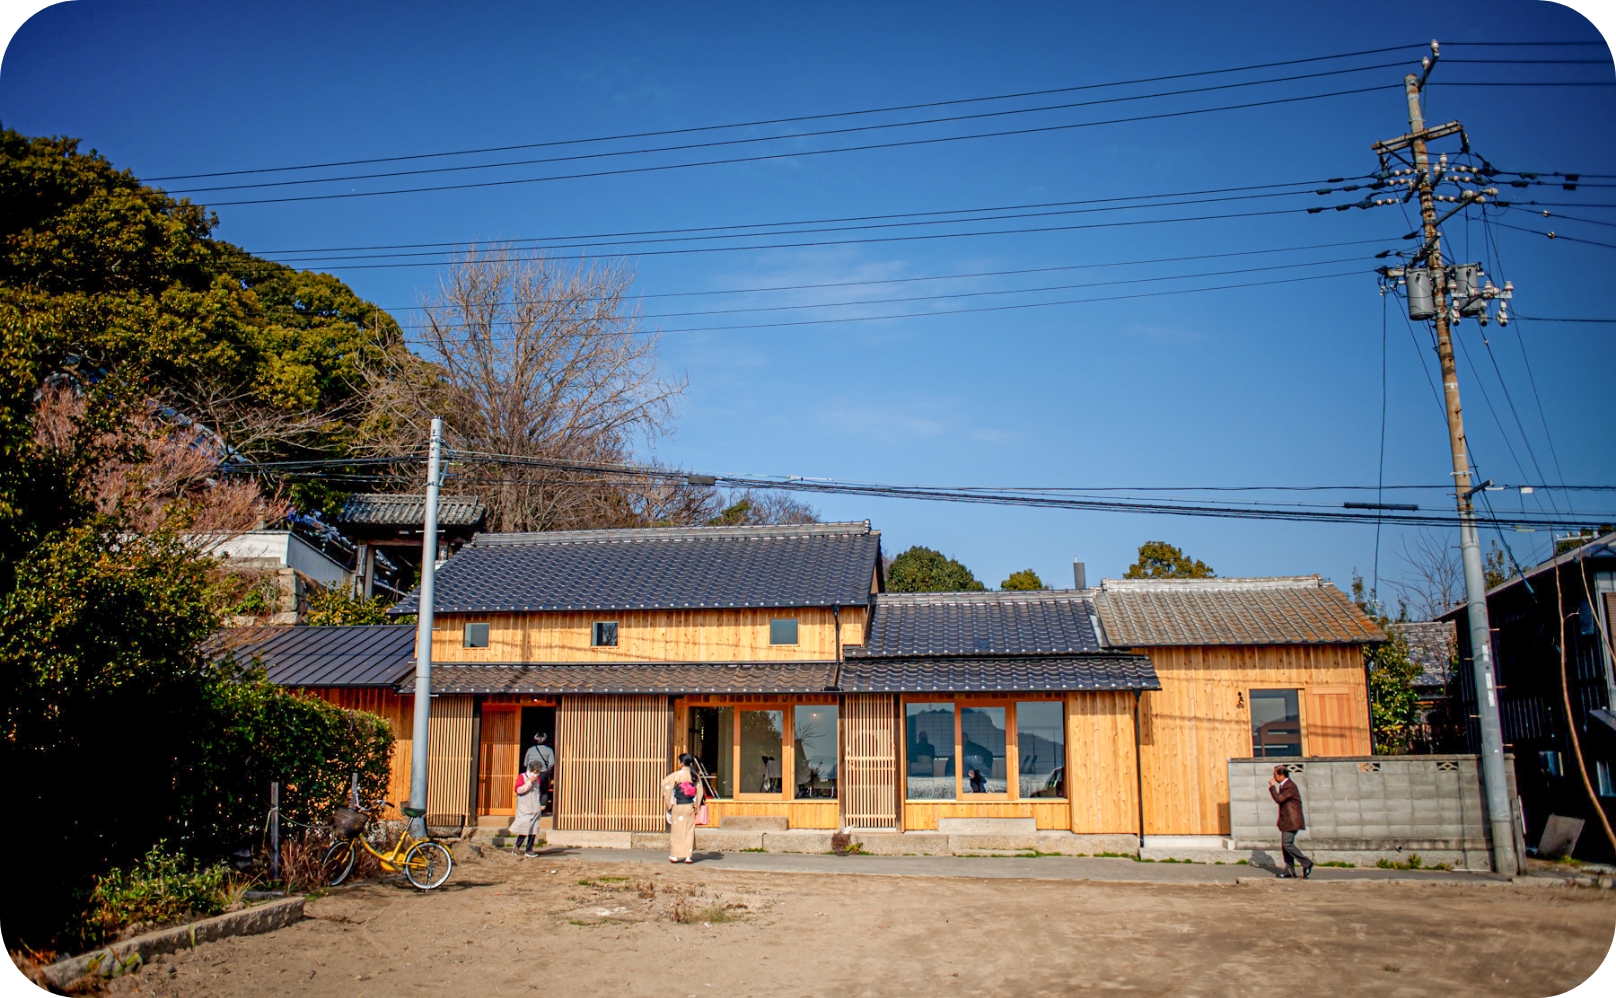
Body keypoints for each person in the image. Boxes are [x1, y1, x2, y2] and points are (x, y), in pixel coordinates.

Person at [1268, 764, 1313, 879]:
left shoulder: (1289, 786)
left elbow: (1279, 799)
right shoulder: (1285, 786)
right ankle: (1289, 870)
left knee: (1287, 844)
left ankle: (1306, 862)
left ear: (1282, 775)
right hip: (1287, 821)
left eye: (1275, 775)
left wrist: (1272, 787)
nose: (1273, 777)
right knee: (1285, 845)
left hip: (1292, 821)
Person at [662, 753, 706, 864]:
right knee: (689, 831)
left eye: (678, 761)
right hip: (689, 806)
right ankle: (688, 856)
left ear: (682, 763)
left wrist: (669, 803)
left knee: (677, 831)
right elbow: (700, 791)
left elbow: (665, 784)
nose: (678, 763)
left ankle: (675, 856)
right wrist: (696, 805)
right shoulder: (694, 775)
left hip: (678, 806)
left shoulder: (676, 775)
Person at [510, 760, 543, 857]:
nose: (536, 774)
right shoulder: (522, 776)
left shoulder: (538, 779)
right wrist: (529, 782)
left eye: (538, 772)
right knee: (524, 829)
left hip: (535, 806)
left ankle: (529, 849)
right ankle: (516, 847)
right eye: (535, 771)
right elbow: (519, 790)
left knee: (533, 830)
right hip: (525, 807)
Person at [524, 731, 556, 813]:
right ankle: (542, 809)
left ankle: (531, 808)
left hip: (530, 772)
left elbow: (525, 763)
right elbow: (552, 763)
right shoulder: (549, 750)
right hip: (543, 772)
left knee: (530, 790)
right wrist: (548, 770)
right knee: (544, 790)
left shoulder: (530, 750)